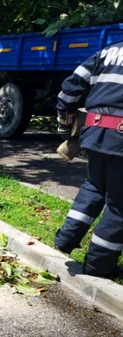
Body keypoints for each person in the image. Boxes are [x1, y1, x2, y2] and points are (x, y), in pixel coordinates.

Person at [54, 42, 123, 279]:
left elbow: (69, 91)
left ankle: (65, 239)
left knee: (94, 187)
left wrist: (65, 128)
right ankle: (99, 267)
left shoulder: (106, 52)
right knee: (118, 205)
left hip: (94, 132)